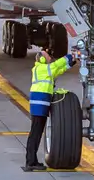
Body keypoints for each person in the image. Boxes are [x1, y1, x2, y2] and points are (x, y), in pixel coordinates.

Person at [23, 43, 72, 171]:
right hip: (40, 104)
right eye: (47, 56)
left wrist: (70, 64)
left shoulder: (44, 70)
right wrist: (70, 56)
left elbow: (58, 70)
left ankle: (32, 161)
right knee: (35, 133)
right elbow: (56, 66)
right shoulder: (42, 68)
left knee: (37, 133)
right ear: (42, 59)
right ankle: (30, 162)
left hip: (41, 104)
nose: (50, 57)